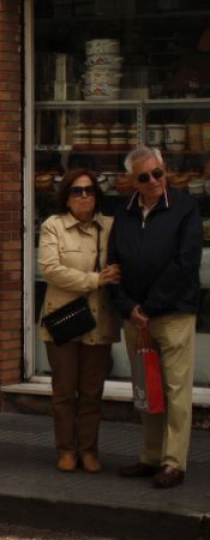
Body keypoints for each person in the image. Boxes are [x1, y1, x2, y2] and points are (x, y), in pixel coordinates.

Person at [108, 146, 202, 489]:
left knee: (176, 391)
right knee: (146, 389)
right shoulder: (124, 213)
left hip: (173, 314)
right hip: (136, 318)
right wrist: (127, 307)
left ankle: (174, 462)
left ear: (166, 171)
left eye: (157, 174)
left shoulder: (185, 209)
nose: (152, 182)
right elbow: (113, 264)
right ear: (132, 181)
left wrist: (149, 307)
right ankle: (149, 457)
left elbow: (185, 264)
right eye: (143, 177)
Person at [37, 169, 121, 473]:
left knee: (92, 393)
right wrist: (96, 279)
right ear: (66, 197)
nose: (84, 196)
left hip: (99, 320)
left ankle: (88, 450)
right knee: (64, 392)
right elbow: (51, 270)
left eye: (89, 190)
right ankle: (66, 450)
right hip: (64, 320)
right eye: (76, 191)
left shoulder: (111, 227)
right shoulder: (53, 227)